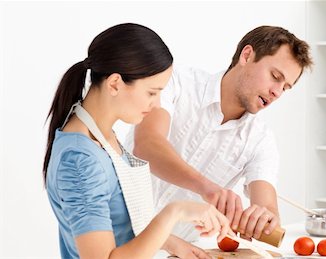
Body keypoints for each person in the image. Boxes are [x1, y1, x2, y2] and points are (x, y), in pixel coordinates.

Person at [43, 23, 230, 259]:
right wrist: (175, 211)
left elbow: (122, 226)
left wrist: (172, 243)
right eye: (152, 92)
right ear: (114, 84)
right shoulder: (80, 160)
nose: (157, 104)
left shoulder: (101, 137)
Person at [127, 25, 313, 242]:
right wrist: (208, 189)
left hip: (179, 253)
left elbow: (267, 208)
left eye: (286, 87)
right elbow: (147, 145)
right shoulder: (176, 82)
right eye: (275, 76)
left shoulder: (260, 140)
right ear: (246, 55)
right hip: (112, 239)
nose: (277, 92)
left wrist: (265, 218)